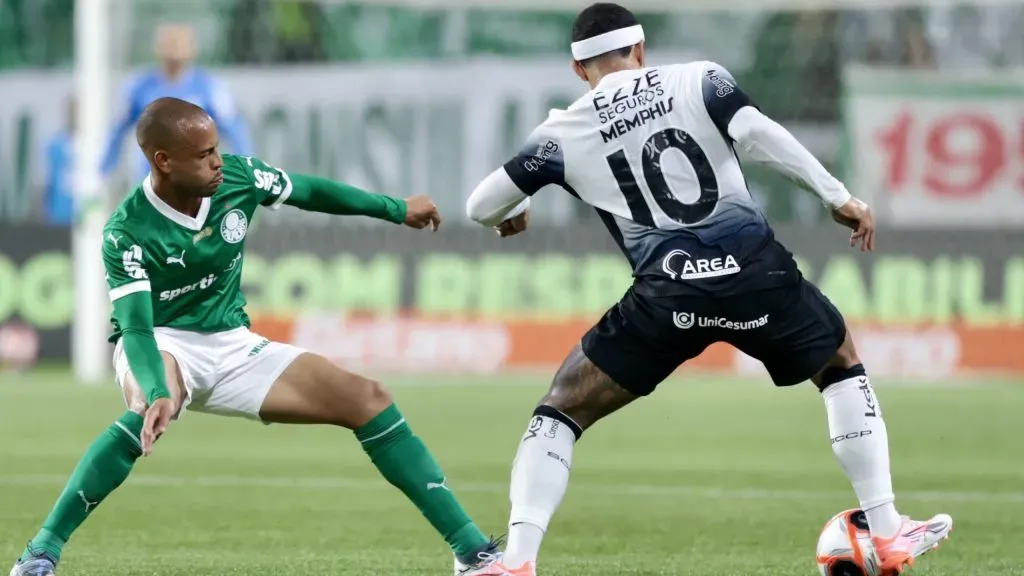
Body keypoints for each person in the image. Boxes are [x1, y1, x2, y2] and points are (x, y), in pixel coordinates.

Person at [464, 3, 953, 575]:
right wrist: (836, 196)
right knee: (839, 361)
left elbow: (480, 205)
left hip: (667, 297)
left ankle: (518, 562)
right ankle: (887, 530)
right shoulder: (700, 78)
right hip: (756, 277)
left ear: (579, 70)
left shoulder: (561, 133)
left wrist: (513, 211)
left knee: (562, 408)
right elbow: (756, 134)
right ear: (640, 49)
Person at [10, 97, 503, 576]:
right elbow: (137, 328)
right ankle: (39, 555)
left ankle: (471, 554)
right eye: (204, 155)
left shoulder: (239, 178)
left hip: (232, 343)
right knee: (148, 407)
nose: (217, 162)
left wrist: (394, 208)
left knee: (368, 399)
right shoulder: (126, 231)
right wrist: (157, 389)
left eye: (216, 149)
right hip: (163, 341)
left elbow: (307, 191)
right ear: (163, 160)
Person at [101, 23, 252, 184]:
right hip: (150, 179)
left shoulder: (210, 88)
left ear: (192, 48)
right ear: (158, 47)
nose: (174, 49)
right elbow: (118, 130)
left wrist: (246, 173)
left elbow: (235, 131)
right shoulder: (139, 87)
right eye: (169, 43)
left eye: (180, 43)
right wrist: (103, 171)